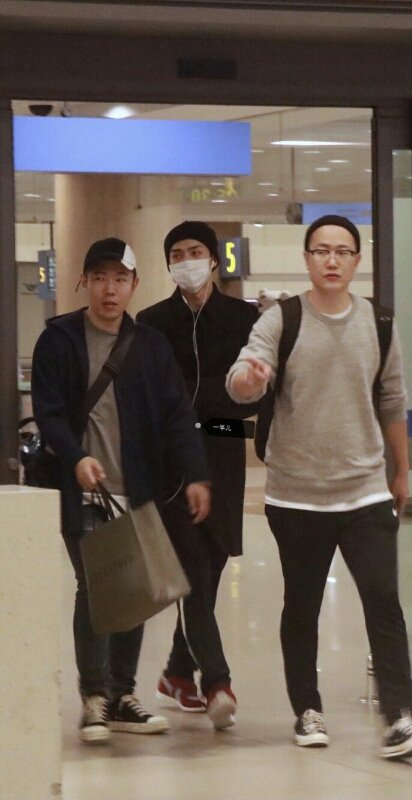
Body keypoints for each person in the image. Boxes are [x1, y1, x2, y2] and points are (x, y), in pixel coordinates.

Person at [226, 215, 412, 759]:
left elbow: (392, 399)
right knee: (301, 605)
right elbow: (242, 378)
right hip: (296, 494)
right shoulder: (282, 319)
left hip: (364, 489)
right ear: (307, 259)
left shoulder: (379, 322)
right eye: (321, 250)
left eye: (342, 251)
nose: (331, 260)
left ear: (356, 260)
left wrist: (401, 471)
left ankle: (398, 717)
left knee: (383, 599)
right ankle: (307, 710)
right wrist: (249, 379)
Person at [31, 237, 210, 744]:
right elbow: (49, 412)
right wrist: (76, 457)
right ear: (83, 282)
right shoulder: (59, 340)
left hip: (137, 488)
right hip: (82, 489)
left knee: (133, 590)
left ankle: (120, 694)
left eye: (119, 279)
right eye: (100, 278)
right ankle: (94, 696)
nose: (109, 289)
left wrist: (196, 473)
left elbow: (178, 416)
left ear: (134, 284)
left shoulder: (149, 346)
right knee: (94, 588)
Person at [137, 221, 259, 726]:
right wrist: (213, 394)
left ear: (213, 259)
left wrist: (203, 403)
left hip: (224, 455)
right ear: (169, 263)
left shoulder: (244, 317)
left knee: (210, 570)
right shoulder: (151, 322)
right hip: (172, 465)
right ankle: (217, 682)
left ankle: (175, 673)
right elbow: (154, 394)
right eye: (177, 254)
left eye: (195, 251)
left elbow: (251, 399)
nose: (186, 261)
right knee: (193, 573)